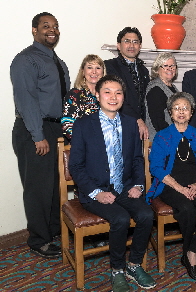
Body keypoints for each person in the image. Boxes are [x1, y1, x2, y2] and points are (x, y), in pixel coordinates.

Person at [69, 75, 155, 292]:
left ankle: (134, 265)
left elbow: (137, 159)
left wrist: (138, 184)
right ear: (98, 95)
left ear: (123, 97)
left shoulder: (129, 123)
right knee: (121, 218)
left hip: (125, 186)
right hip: (95, 190)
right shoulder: (83, 125)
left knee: (146, 214)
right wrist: (96, 192)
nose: (113, 97)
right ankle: (117, 269)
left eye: (118, 92)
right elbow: (76, 167)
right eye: (107, 91)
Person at [11, 12, 70, 258]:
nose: (52, 30)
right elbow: (27, 99)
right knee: (38, 188)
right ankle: (39, 240)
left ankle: (54, 232)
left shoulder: (58, 61)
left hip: (56, 129)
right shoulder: (25, 60)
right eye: (46, 26)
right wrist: (37, 135)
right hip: (34, 129)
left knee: (56, 187)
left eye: (55, 26)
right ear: (34, 30)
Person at [147, 92, 196, 282]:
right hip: (170, 184)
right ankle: (190, 255)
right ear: (170, 112)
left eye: (185, 108)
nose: (181, 111)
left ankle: (190, 251)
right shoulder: (162, 136)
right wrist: (181, 188)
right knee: (185, 208)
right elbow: (156, 168)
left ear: (191, 112)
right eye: (177, 108)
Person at [105, 27, 150, 140]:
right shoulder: (110, 66)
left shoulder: (143, 70)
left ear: (139, 46)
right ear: (119, 46)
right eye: (127, 41)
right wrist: (136, 119)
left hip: (140, 128)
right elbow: (114, 97)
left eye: (135, 42)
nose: (131, 45)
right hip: (118, 124)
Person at [62, 54, 104, 141]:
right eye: (89, 67)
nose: (94, 72)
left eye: (98, 68)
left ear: (103, 72)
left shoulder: (107, 95)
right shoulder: (74, 95)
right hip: (83, 146)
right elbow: (67, 125)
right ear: (83, 71)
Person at [145, 52, 179, 138]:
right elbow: (158, 122)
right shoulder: (155, 89)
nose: (170, 69)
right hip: (162, 139)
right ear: (157, 69)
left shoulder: (173, 88)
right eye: (165, 66)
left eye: (172, 65)